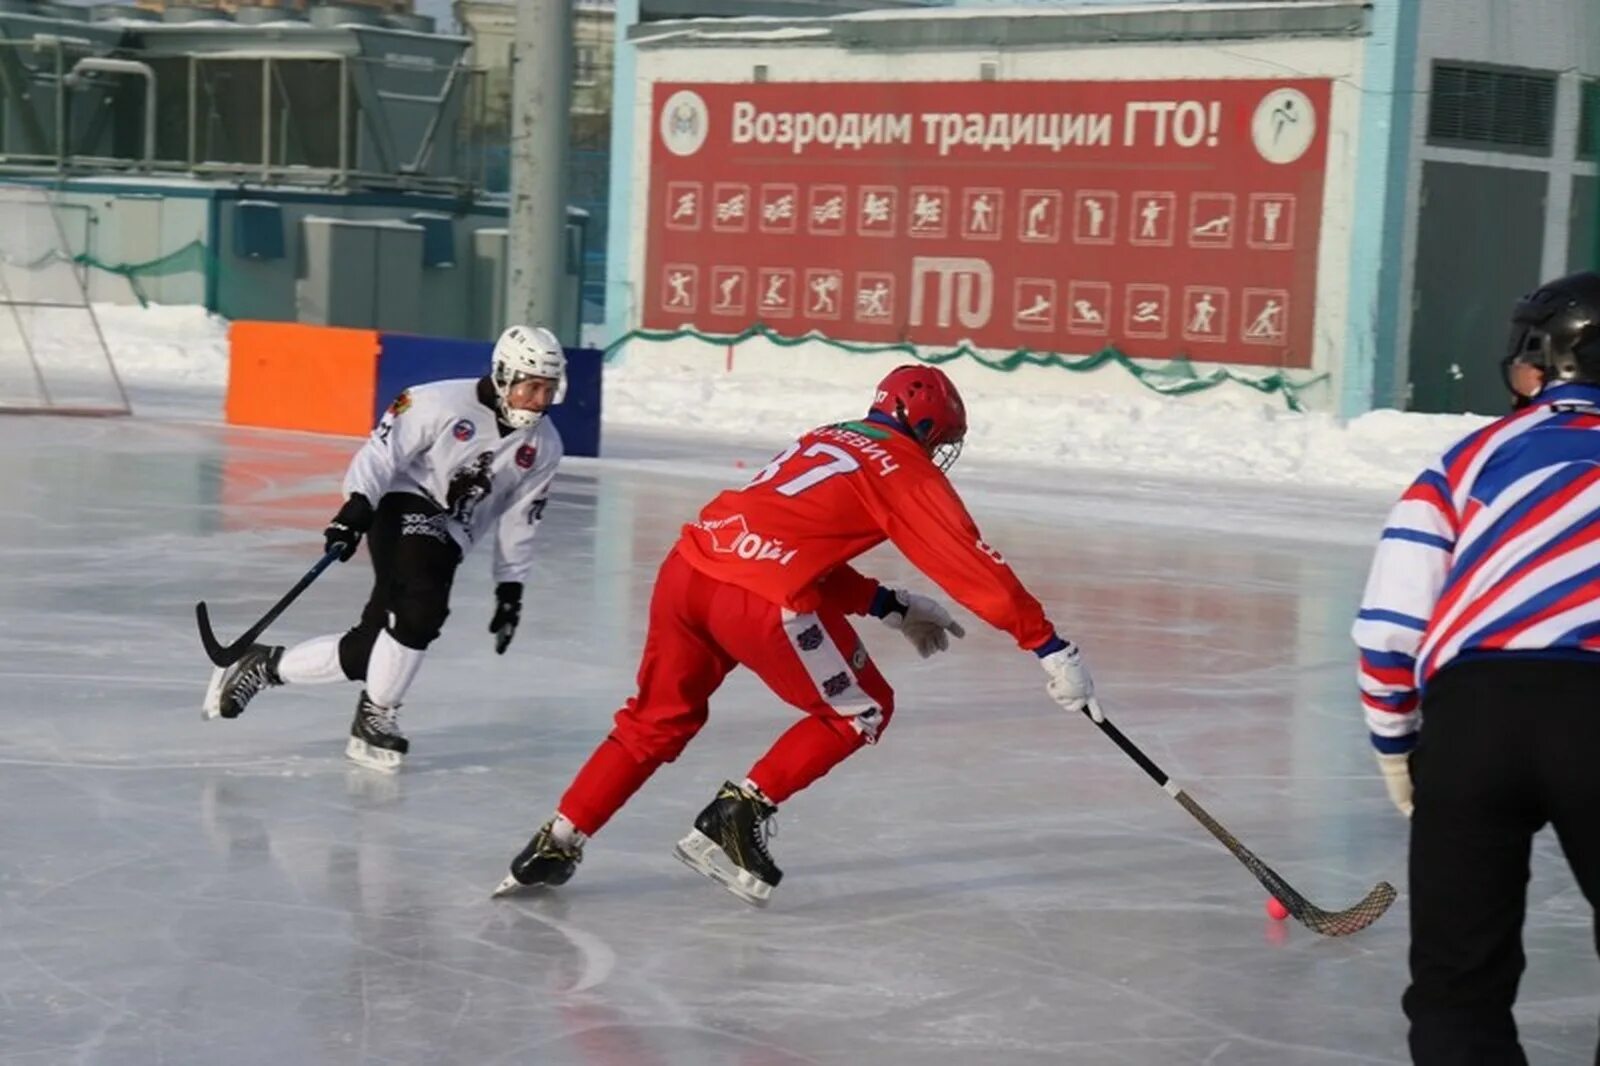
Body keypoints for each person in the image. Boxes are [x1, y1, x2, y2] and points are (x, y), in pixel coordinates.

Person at [495, 363, 1101, 905]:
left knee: (654, 721)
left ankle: (558, 839)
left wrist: (888, 605)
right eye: (941, 438)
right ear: (923, 427)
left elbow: (792, 539)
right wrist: (1049, 645)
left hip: (688, 570)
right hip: (756, 597)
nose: (939, 450)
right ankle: (736, 815)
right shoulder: (906, 469)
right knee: (861, 709)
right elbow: (971, 566)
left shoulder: (828, 435)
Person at [1353, 271, 1600, 1063]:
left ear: (1541, 360)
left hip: (1472, 718)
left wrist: (1399, 748)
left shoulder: (1469, 457)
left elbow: (1391, 624)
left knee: (1459, 986)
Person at [203, 325, 567, 772]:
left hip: (451, 534)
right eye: (532, 387)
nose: (541, 400)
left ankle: (262, 666)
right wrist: (357, 505)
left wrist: (510, 588)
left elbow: (521, 518)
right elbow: (381, 455)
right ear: (504, 375)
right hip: (403, 502)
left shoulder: (545, 445)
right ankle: (375, 718)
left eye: (549, 389)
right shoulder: (438, 402)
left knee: (370, 651)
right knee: (421, 607)